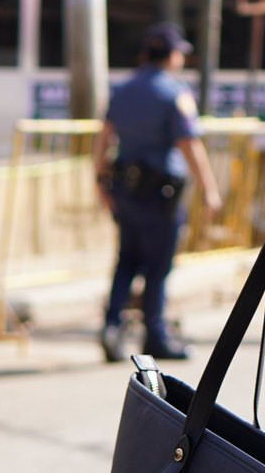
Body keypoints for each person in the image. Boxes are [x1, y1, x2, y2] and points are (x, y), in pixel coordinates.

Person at [95, 21, 223, 362]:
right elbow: (189, 145)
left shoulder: (122, 90)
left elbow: (104, 137)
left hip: (125, 191)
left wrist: (99, 182)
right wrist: (209, 190)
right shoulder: (173, 93)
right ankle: (156, 335)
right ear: (172, 56)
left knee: (126, 261)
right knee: (157, 266)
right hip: (159, 194)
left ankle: (111, 328)